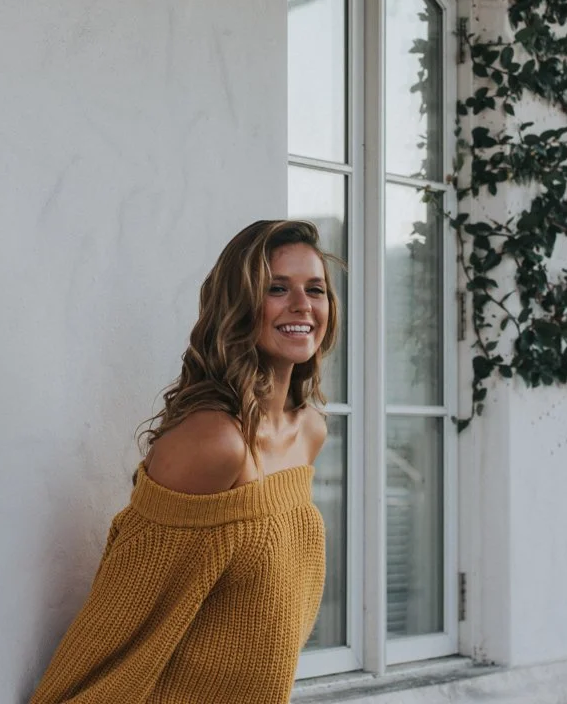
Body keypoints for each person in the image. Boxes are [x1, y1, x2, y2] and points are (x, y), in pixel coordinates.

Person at [29, 218, 340, 704]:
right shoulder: (216, 442)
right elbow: (126, 619)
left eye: (315, 289)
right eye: (277, 288)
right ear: (239, 305)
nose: (302, 305)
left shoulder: (310, 433)